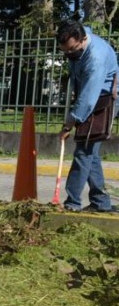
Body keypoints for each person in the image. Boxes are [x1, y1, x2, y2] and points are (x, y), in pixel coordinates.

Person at [57, 20, 119, 212]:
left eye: (72, 50)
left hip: (104, 99)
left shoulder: (95, 57)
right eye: (65, 51)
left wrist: (70, 123)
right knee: (90, 153)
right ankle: (101, 202)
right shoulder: (77, 48)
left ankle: (72, 203)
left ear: (83, 39)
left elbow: (88, 98)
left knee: (83, 151)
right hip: (92, 97)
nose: (69, 54)